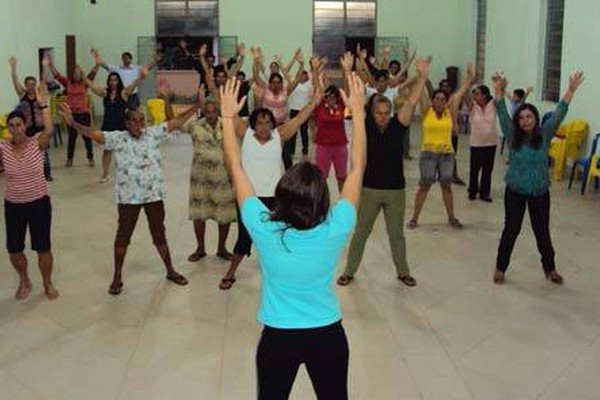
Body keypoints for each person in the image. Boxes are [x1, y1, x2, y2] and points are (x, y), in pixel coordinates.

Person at [220, 65, 366, 399]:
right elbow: (358, 167)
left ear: (281, 197)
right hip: (327, 335)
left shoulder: (263, 228)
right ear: (322, 199)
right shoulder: (336, 227)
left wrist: (228, 118)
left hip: (279, 338)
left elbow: (236, 167)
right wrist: (356, 114)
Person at [60, 97, 199, 295]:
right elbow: (93, 133)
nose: (139, 124)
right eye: (134, 120)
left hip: (153, 195)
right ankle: (117, 276)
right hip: (128, 198)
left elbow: (177, 121)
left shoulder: (152, 134)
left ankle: (170, 270)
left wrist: (198, 105)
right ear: (126, 123)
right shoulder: (118, 138)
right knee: (123, 236)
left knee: (159, 232)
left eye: (141, 120)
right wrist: (72, 123)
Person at [217, 83, 321, 290]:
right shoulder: (244, 134)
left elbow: (299, 118)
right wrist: (221, 96)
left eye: (267, 122)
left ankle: (280, 272)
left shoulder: (278, 135)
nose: (264, 127)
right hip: (248, 198)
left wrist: (315, 102)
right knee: (245, 236)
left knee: (278, 234)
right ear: (253, 124)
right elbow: (229, 116)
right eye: (259, 122)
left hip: (275, 197)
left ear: (272, 124)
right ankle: (231, 273)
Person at [337, 56, 430, 288]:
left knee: (396, 235)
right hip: (369, 190)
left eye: (386, 112)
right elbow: (353, 101)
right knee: (361, 233)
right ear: (372, 112)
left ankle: (403, 271)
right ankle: (349, 271)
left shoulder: (399, 126)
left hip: (395, 191)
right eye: (379, 113)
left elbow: (412, 101)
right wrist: (348, 72)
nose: (383, 117)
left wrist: (423, 76)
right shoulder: (365, 124)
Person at [492, 71, 583, 285]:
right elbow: (502, 111)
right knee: (511, 229)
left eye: (529, 116)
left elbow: (560, 112)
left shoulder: (545, 133)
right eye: (522, 118)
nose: (525, 121)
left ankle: (550, 268)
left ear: (535, 118)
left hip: (540, 191)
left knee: (541, 230)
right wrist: (497, 89)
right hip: (515, 190)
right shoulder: (512, 134)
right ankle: (500, 267)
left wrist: (571, 89)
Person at [159, 86, 236, 262]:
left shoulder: (227, 125)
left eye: (213, 111)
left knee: (224, 214)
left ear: (218, 111)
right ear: (203, 111)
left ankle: (222, 248)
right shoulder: (194, 125)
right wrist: (166, 100)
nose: (210, 114)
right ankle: (200, 249)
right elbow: (174, 121)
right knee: (199, 214)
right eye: (207, 111)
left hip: (223, 177)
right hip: (199, 178)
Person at [0, 83, 59, 300]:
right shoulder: (3, 147)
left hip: (38, 203)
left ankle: (47, 281)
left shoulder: (37, 143)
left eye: (18, 124)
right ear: (8, 129)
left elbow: (49, 128)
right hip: (14, 205)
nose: (15, 129)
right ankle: (24, 280)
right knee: (14, 250)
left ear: (25, 126)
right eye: (11, 126)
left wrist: (43, 104)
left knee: (43, 247)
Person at [407, 64, 474, 229]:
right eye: (437, 98)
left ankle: (452, 218)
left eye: (443, 99)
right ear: (432, 100)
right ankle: (414, 218)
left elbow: (458, 94)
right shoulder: (426, 111)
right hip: (428, 154)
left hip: (446, 155)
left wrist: (469, 78)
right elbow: (421, 93)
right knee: (424, 186)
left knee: (447, 187)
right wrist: (422, 75)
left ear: (446, 101)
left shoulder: (450, 113)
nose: (440, 101)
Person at [86, 49, 149, 183]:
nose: (113, 82)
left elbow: (135, 84)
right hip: (108, 124)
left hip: (121, 124)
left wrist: (143, 76)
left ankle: (130, 172)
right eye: (111, 80)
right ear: (108, 82)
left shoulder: (124, 93)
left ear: (118, 81)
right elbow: (91, 86)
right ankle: (105, 174)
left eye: (115, 80)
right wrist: (84, 77)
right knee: (107, 151)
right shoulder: (105, 93)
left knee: (125, 150)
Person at [251, 47, 305, 169]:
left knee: (286, 154)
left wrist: (301, 64)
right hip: (268, 126)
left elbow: (296, 80)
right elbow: (255, 76)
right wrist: (255, 61)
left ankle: (289, 176)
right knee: (268, 153)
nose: (276, 84)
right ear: (270, 83)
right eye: (273, 82)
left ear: (281, 83)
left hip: (283, 125)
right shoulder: (266, 90)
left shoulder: (285, 91)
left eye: (278, 82)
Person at [45, 56, 99, 167]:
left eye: (79, 73)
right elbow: (57, 76)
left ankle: (90, 158)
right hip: (71, 115)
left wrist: (98, 63)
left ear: (82, 74)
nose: (76, 75)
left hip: (83, 114)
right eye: (75, 73)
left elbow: (93, 74)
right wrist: (50, 65)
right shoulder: (68, 82)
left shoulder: (85, 83)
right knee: (72, 138)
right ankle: (69, 159)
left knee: (87, 137)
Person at [9, 57, 53, 181]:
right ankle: (30, 172)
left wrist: (45, 66)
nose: (31, 87)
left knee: (43, 152)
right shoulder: (22, 95)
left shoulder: (39, 94)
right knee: (28, 151)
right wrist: (13, 67)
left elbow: (43, 81)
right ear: (25, 85)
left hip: (40, 128)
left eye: (33, 84)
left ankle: (47, 173)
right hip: (27, 129)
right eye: (28, 84)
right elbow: (14, 81)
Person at [466, 85, 498, 202]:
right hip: (476, 143)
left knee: (487, 169)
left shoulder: (492, 105)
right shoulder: (473, 106)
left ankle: (485, 193)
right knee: (474, 169)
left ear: (484, 95)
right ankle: (472, 191)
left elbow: (500, 97)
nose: (475, 95)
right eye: (474, 93)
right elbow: (466, 96)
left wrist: (499, 86)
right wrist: (469, 81)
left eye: (477, 93)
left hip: (491, 142)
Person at [439, 79, 467, 185]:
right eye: (443, 86)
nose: (445, 88)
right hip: (441, 131)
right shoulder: (438, 99)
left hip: (452, 132)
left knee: (452, 154)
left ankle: (454, 175)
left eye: (447, 86)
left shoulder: (454, 98)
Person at [285, 69, 313, 162]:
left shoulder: (309, 84)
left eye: (304, 75)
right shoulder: (294, 82)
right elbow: (285, 73)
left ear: (306, 76)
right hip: (294, 110)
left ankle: (305, 151)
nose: (302, 76)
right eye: (300, 75)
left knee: (304, 131)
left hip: (304, 110)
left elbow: (315, 76)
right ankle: (291, 151)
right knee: (293, 131)